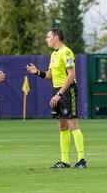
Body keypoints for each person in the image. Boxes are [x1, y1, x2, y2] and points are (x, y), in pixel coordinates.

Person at [27, 28, 87, 169]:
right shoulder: (53, 54)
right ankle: (65, 161)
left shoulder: (66, 52)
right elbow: (50, 75)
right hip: (57, 90)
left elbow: (71, 76)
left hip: (67, 90)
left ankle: (82, 160)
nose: (46, 39)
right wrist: (37, 73)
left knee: (73, 125)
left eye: (48, 37)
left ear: (56, 37)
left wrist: (59, 94)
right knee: (62, 126)